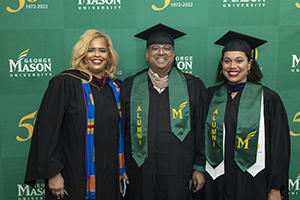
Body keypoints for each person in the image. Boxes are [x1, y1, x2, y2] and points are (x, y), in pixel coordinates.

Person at [24, 29, 126, 200]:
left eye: (102, 50)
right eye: (91, 50)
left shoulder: (115, 88)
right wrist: (53, 173)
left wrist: (122, 169)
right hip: (72, 175)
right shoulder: (65, 83)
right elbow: (47, 131)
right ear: (82, 54)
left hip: (109, 175)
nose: (97, 55)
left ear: (109, 55)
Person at [120, 23, 207, 200]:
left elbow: (202, 128)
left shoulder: (192, 86)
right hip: (139, 170)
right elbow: (120, 130)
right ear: (147, 54)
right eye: (155, 48)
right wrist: (121, 167)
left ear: (173, 54)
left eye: (167, 48)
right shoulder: (130, 85)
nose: (161, 52)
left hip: (179, 170)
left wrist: (199, 166)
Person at [204, 31, 290, 200]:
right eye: (227, 61)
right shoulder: (210, 96)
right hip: (217, 181)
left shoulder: (268, 98)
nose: (232, 66)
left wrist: (275, 187)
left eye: (239, 60)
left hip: (254, 181)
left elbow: (279, 146)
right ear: (221, 65)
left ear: (250, 64)